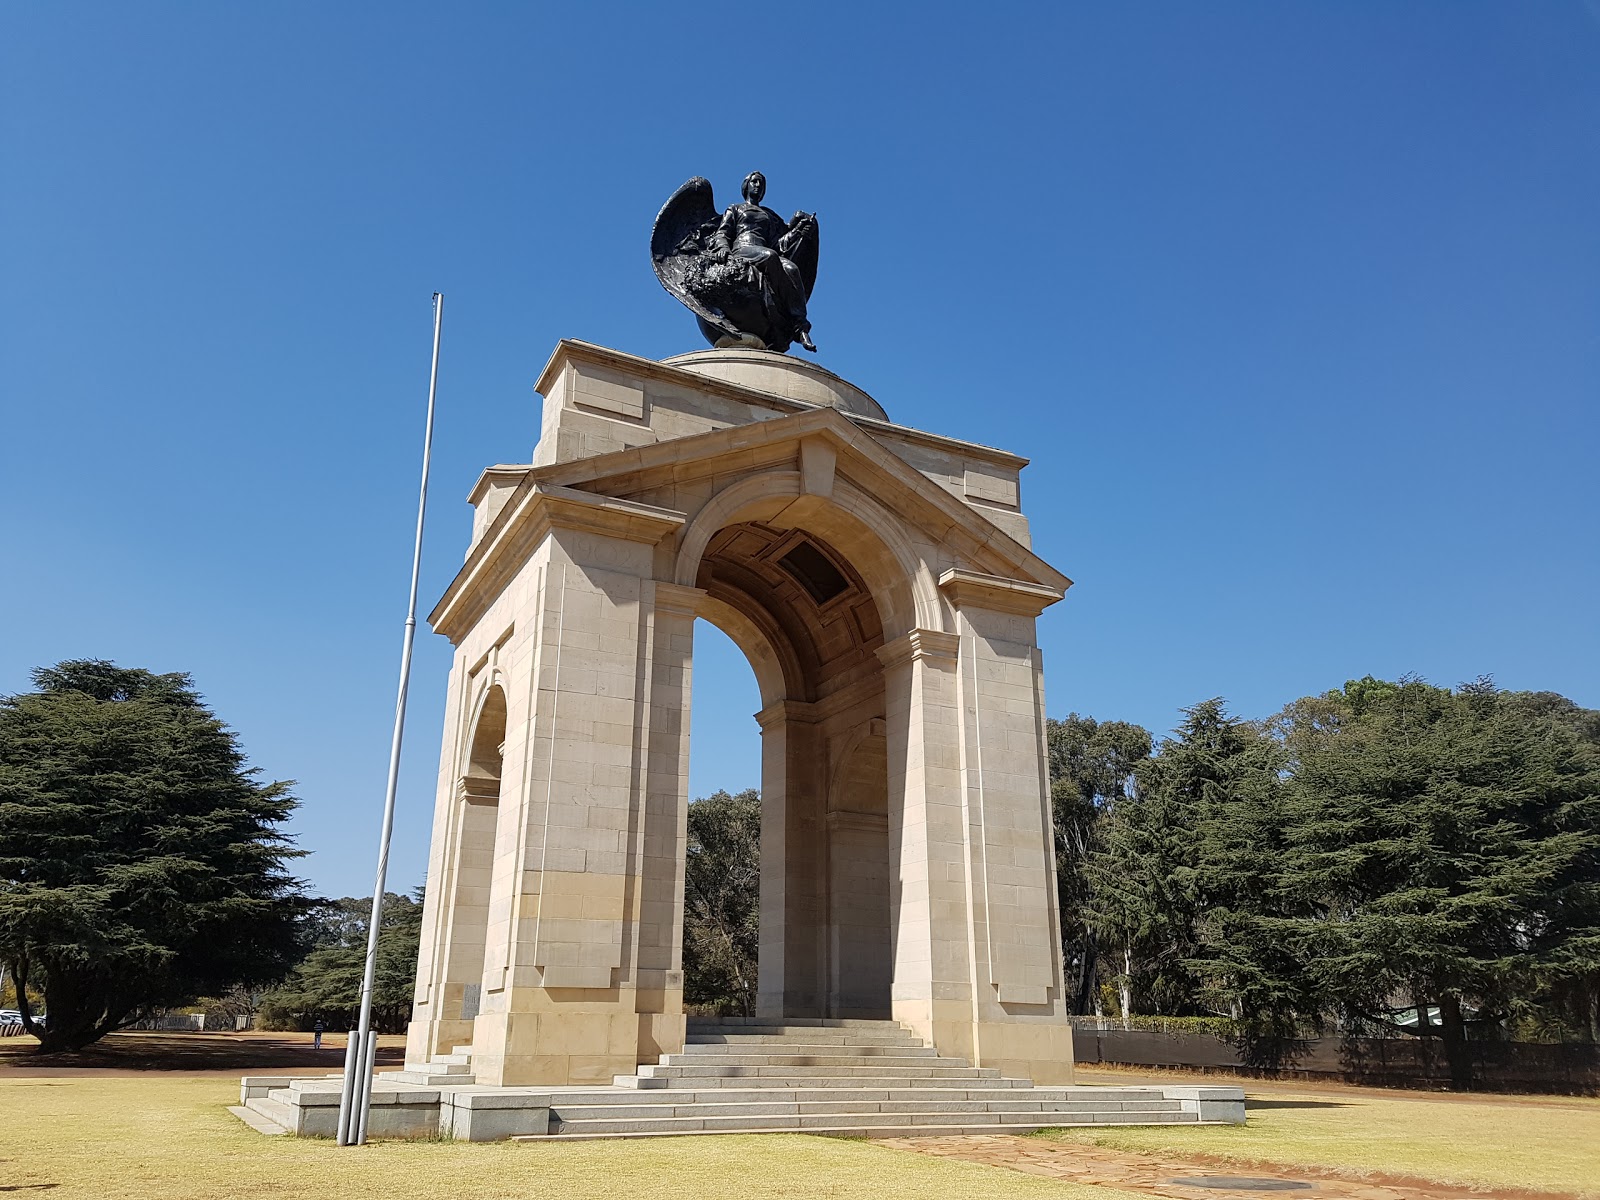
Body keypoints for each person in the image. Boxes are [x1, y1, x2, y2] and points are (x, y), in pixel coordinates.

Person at [710, 171, 817, 351]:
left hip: (764, 250)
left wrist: (798, 231)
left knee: (791, 269)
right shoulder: (735, 209)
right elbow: (722, 232)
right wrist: (722, 248)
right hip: (742, 249)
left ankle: (800, 327)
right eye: (754, 182)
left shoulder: (769, 215)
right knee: (770, 257)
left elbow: (778, 244)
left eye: (761, 183)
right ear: (746, 186)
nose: (758, 186)